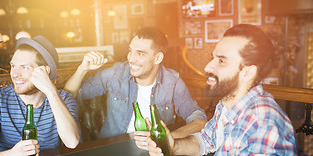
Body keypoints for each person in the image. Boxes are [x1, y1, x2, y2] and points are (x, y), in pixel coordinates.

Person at [131, 24, 313, 156]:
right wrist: (174, 146)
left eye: (221, 61)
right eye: (212, 58)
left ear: (247, 72)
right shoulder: (228, 105)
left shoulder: (263, 121)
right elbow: (206, 140)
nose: (207, 67)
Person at [64, 27, 207, 140]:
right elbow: (68, 96)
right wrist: (82, 68)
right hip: (112, 150)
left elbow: (199, 120)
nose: (131, 59)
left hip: (154, 151)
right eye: (130, 51)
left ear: (157, 58)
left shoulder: (172, 82)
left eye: (140, 53)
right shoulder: (116, 73)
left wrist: (167, 138)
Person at [0, 35, 80, 156]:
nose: (15, 74)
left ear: (44, 71)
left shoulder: (64, 99)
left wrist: (51, 91)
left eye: (24, 67)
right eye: (13, 66)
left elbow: (72, 142)